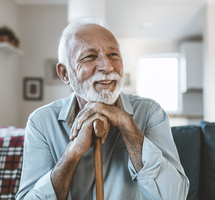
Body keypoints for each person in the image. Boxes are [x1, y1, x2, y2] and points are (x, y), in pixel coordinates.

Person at [16, 17, 189, 200]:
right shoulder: (41, 122)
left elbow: (174, 196)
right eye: (90, 57)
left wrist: (127, 125)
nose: (107, 66)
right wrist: (72, 153)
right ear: (65, 74)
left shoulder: (150, 112)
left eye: (113, 55)